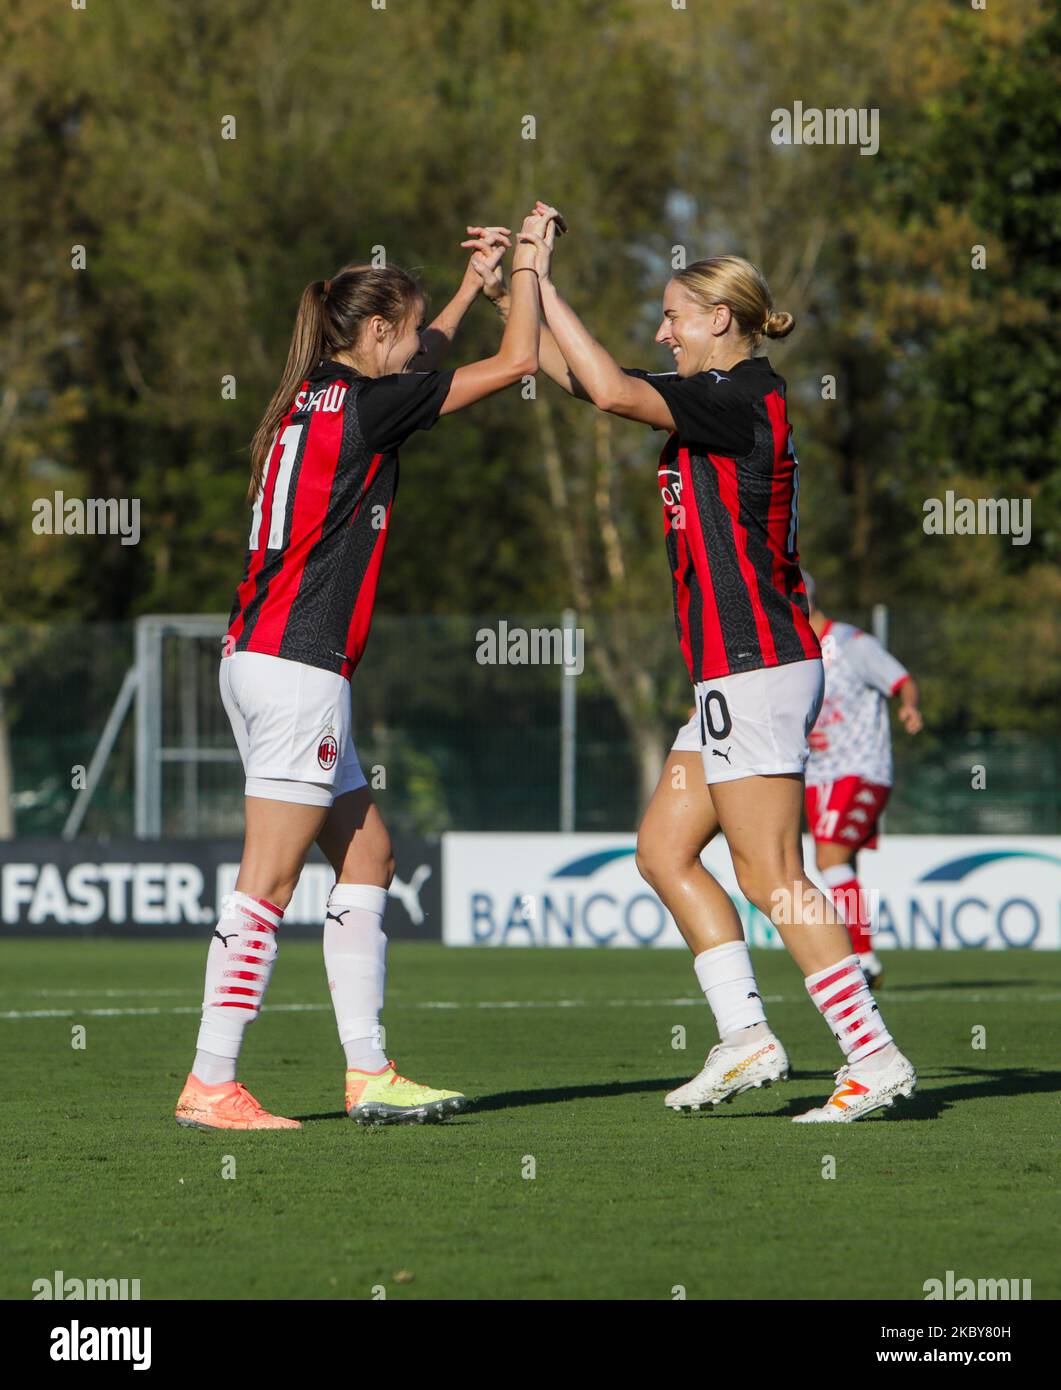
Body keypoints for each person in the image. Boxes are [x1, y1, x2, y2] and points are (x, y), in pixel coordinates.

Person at [498, 204, 916, 1121]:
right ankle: (746, 1037)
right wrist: (514, 289)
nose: (661, 331)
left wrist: (547, 280)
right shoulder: (715, 397)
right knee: (663, 850)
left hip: (757, 662)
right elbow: (574, 374)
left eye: (673, 317)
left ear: (718, 319)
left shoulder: (736, 401)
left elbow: (607, 390)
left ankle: (872, 1054)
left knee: (771, 875)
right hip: (731, 670)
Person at [175, 211, 555, 1131]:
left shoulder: (316, 389)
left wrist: (468, 288)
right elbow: (517, 366)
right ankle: (210, 1081)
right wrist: (531, 272)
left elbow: (420, 353)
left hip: (262, 658)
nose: (417, 345)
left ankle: (369, 1073)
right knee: (264, 882)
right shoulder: (376, 408)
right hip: (298, 667)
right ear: (375, 335)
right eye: (409, 328)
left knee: (368, 857)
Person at [802, 571, 923, 988]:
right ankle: (856, 951)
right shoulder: (794, 651)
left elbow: (901, 679)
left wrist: (909, 707)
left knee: (829, 860)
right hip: (817, 774)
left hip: (860, 768)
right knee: (840, 865)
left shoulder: (852, 644)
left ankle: (864, 960)